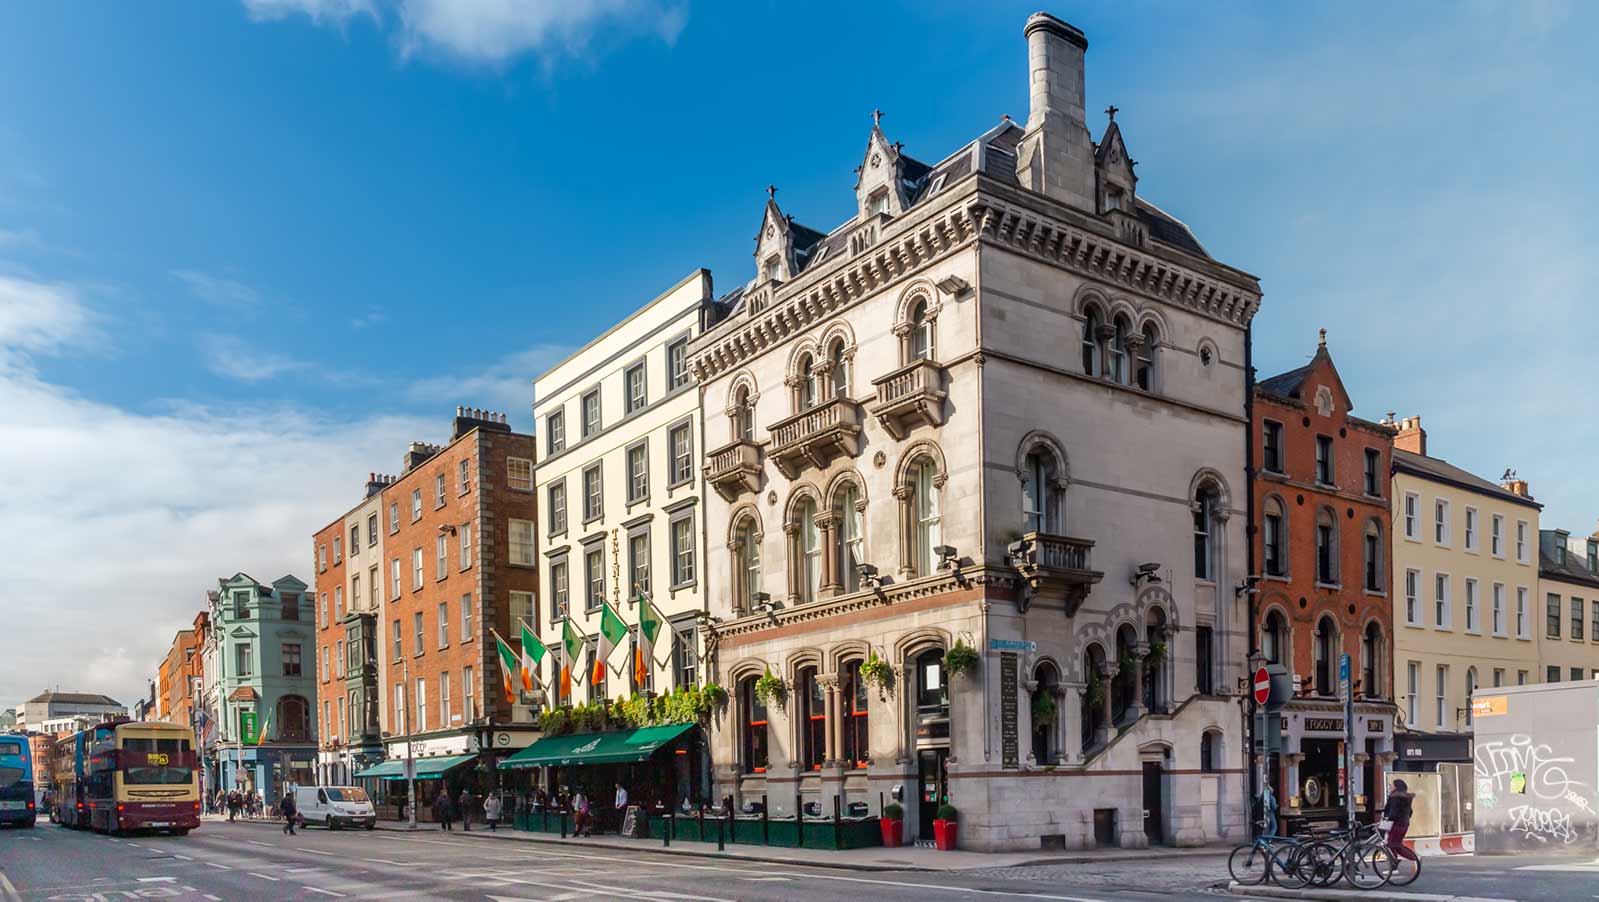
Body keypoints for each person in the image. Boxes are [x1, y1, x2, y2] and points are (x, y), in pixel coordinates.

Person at [1383, 779, 1417, 861]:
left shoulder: (1395, 797)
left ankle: (1395, 864)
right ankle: (1414, 858)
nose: (1390, 787)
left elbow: (1393, 812)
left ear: (1396, 787)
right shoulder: (1407, 797)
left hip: (1395, 824)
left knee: (1391, 844)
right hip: (1404, 824)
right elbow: (1410, 812)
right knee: (1396, 845)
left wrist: (1387, 819)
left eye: (1392, 785)